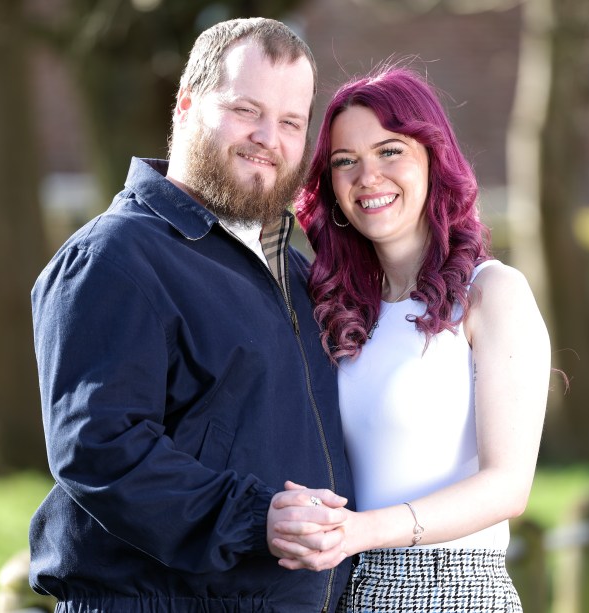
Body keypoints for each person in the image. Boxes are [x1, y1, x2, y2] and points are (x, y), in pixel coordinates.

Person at [29, 18, 354, 612]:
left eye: (290, 121)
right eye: (245, 110)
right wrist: (256, 519)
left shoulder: (303, 277)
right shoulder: (115, 258)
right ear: (185, 107)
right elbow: (99, 448)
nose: (268, 138)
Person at [277, 66, 552, 611]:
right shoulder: (337, 311)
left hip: (455, 587)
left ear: (433, 157)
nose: (367, 176)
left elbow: (508, 486)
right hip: (347, 586)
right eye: (345, 161)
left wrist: (361, 531)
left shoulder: (491, 293)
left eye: (389, 151)